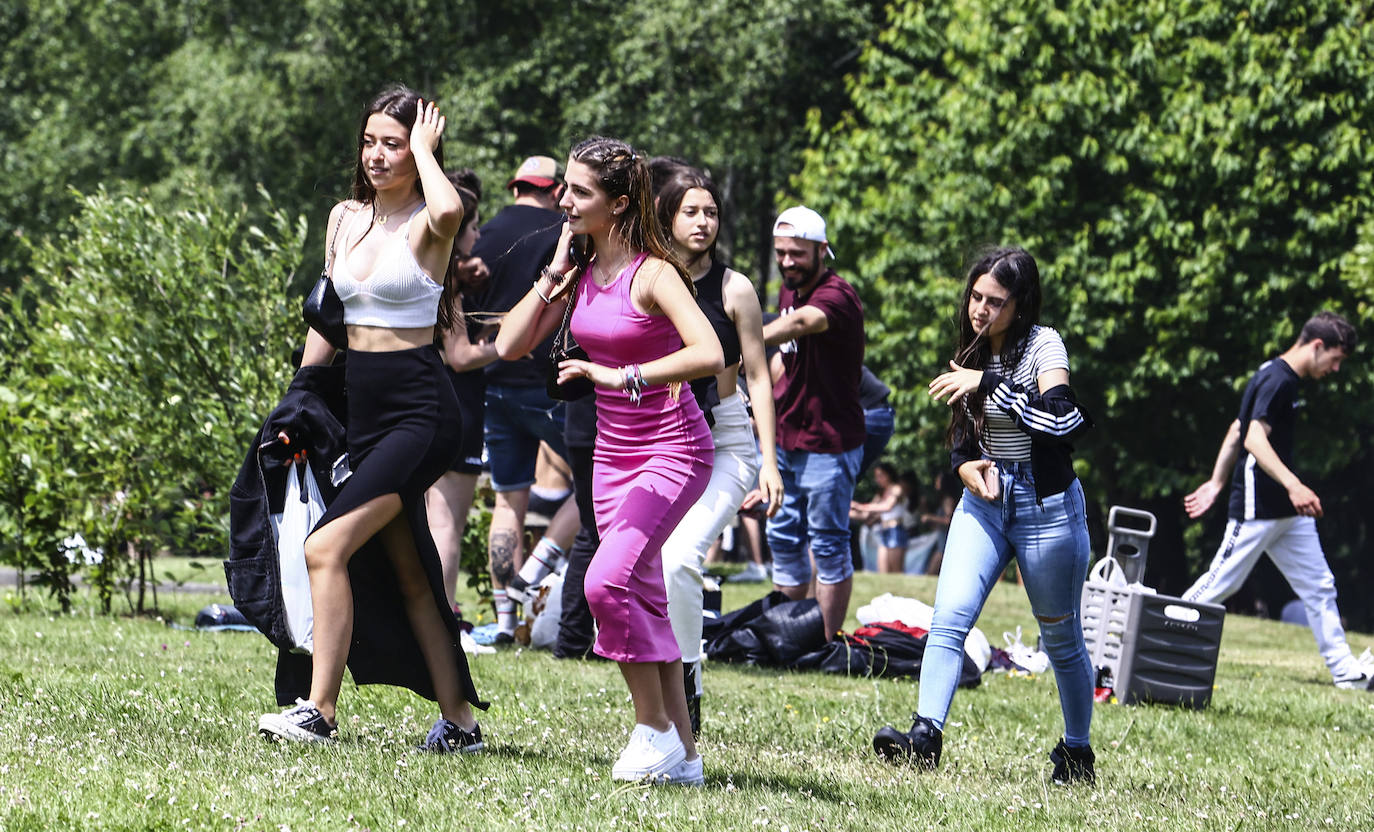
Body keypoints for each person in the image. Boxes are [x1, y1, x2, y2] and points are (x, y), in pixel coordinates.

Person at [258, 85, 485, 751]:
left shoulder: (430, 221)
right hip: (364, 410)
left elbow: (450, 204)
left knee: (325, 547)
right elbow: (328, 319)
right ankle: (461, 725)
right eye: (371, 141)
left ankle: (319, 713)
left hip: (421, 413)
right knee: (411, 571)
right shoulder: (344, 218)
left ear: (420, 149)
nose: (379, 155)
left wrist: (424, 149)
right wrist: (301, 392)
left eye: (394, 143)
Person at [495, 136, 723, 785]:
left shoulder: (653, 273)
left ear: (619, 203)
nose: (564, 201)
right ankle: (685, 758)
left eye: (580, 193)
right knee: (644, 594)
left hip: (672, 449)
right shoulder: (577, 272)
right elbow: (511, 345)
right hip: (612, 458)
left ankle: (651, 731)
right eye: (564, 187)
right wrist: (554, 273)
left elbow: (707, 351)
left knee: (605, 582)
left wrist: (620, 376)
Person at [871, 247, 1096, 784]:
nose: (980, 309)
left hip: (1047, 507)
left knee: (1061, 641)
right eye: (975, 296)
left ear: (1020, 305)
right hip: (986, 503)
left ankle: (1077, 753)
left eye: (995, 302)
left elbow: (1065, 425)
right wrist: (964, 465)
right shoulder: (972, 347)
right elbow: (967, 435)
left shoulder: (1045, 346)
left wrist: (990, 385)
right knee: (948, 620)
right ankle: (924, 738)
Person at [654, 167, 784, 736]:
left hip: (727, 440)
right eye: (691, 212)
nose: (704, 222)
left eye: (711, 212)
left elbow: (758, 376)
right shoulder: (650, 278)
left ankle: (689, 684)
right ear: (667, 217)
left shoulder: (735, 289)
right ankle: (658, 687)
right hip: (661, 437)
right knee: (649, 567)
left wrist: (770, 461)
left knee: (680, 558)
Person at [1182, 311, 1372, 690]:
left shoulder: (1276, 374)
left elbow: (1237, 429)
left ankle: (1346, 673)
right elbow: (1253, 437)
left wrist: (1216, 482)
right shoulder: (1278, 379)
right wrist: (1294, 485)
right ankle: (1152, 636)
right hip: (1260, 506)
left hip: (1288, 512)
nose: (1335, 369)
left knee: (1319, 585)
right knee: (1218, 584)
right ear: (1318, 346)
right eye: (1335, 359)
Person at [469, 155, 582, 641]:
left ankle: (504, 624)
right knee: (596, 481)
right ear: (556, 188)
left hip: (492, 379)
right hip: (546, 382)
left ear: (515, 185)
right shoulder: (564, 231)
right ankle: (534, 570)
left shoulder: (485, 232)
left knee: (508, 499)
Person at [761, 206, 865, 642]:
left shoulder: (836, 295)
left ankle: (822, 642)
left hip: (830, 443)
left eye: (797, 254)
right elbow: (786, 355)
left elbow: (804, 324)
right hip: (787, 440)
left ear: (822, 250)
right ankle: (789, 636)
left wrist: (739, 334)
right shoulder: (791, 293)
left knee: (827, 542)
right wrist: (757, 398)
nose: (787, 262)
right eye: (781, 253)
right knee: (782, 535)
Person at [426, 170, 491, 610]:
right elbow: (461, 355)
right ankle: (446, 617)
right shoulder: (449, 288)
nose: (478, 234)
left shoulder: (431, 275)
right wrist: (506, 344)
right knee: (447, 523)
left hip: (428, 401)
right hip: (458, 404)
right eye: (473, 226)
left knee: (432, 519)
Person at [850, 462, 909, 574]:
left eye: (880, 475)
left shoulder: (897, 488)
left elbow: (887, 506)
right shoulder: (880, 494)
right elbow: (865, 515)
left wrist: (860, 506)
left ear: (889, 475)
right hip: (884, 532)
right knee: (882, 571)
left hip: (896, 531)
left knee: (896, 572)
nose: (878, 479)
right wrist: (845, 512)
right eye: (876, 476)